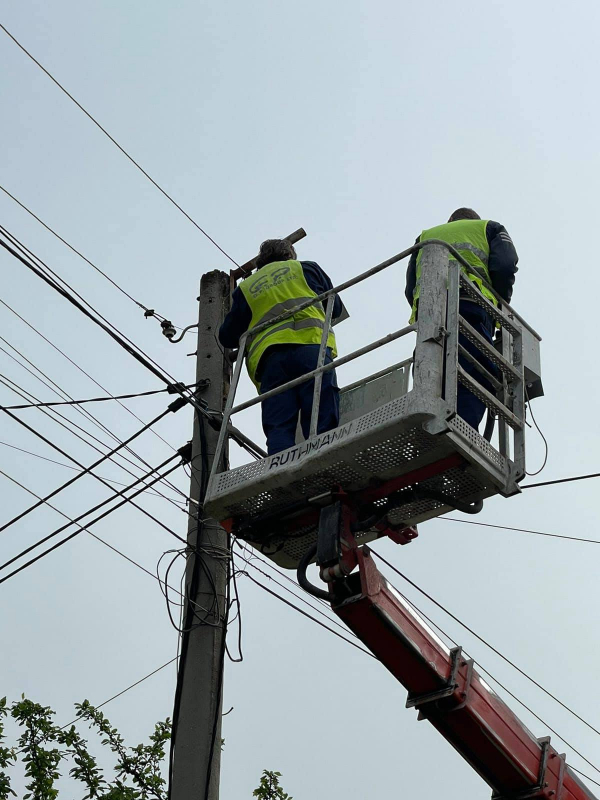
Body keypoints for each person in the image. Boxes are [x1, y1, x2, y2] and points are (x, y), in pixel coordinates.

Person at [219, 238, 343, 455]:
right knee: (320, 412)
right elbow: (335, 308)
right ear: (290, 255)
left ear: (261, 261)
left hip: (271, 360)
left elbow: (227, 336)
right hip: (310, 348)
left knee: (279, 423)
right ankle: (325, 458)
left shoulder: (247, 287)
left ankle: (281, 466)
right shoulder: (306, 268)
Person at [405, 208, 518, 430]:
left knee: (431, 373)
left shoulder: (425, 237)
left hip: (430, 314)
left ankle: (430, 428)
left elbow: (410, 286)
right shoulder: (490, 228)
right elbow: (504, 267)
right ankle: (461, 430)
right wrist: (499, 307)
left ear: (450, 222)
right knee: (472, 370)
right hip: (470, 304)